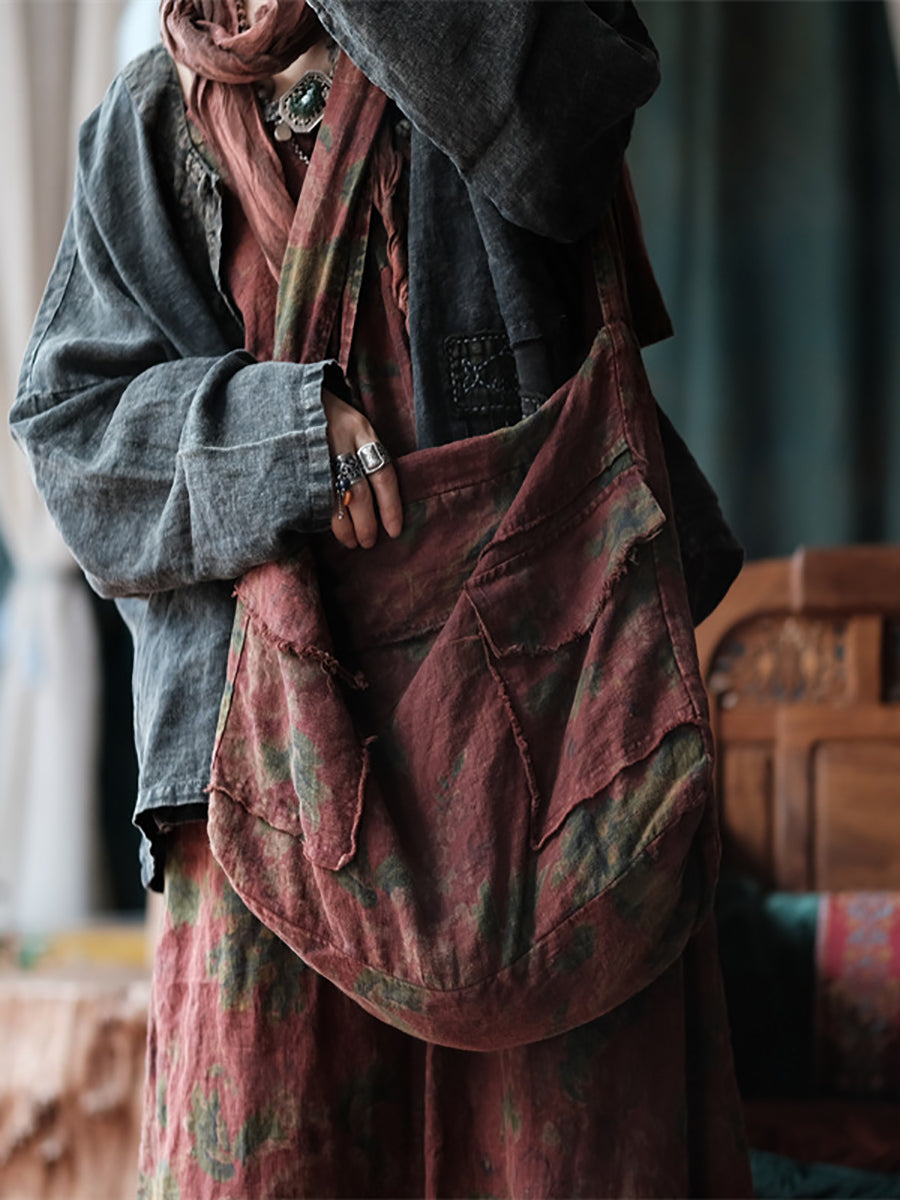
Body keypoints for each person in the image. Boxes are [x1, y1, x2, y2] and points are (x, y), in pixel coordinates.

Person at [11, 1, 750, 1196]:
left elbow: (557, 150)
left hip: (552, 761)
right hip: (260, 796)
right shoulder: (150, 123)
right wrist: (283, 437)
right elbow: (74, 439)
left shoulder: (520, 27)